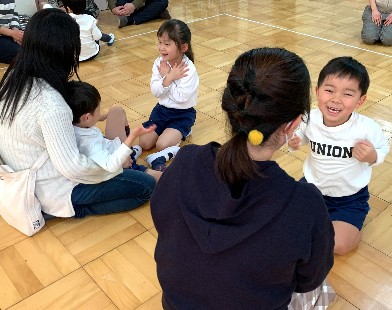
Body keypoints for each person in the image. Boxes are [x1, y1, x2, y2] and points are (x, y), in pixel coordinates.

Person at [151, 47, 335, 309]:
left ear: (231, 108)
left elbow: (162, 220)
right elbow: (309, 279)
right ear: (293, 124)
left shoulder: (184, 162)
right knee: (323, 291)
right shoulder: (305, 205)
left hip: (176, 304)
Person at [0, 8, 155, 219]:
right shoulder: (51, 104)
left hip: (21, 173)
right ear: (64, 52)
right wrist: (115, 166)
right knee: (145, 186)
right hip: (50, 190)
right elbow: (73, 169)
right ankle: (66, 210)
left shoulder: (13, 77)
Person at [288, 56, 390, 255]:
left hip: (349, 198)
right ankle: (319, 219)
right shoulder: (310, 118)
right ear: (317, 91)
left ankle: (351, 231)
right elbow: (300, 135)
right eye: (329, 90)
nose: (336, 99)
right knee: (286, 225)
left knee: (339, 246)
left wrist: (371, 156)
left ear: (360, 100)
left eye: (348, 94)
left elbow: (382, 149)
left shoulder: (367, 128)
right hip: (312, 187)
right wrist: (295, 141)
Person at [65, 80, 162, 182]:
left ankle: (132, 153)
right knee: (158, 177)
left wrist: (99, 117)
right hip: (118, 164)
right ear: (87, 117)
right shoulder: (90, 145)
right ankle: (146, 158)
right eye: (98, 109)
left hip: (110, 147)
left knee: (116, 110)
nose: (100, 111)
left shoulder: (73, 122)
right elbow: (111, 165)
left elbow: (84, 120)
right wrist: (132, 136)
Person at [139, 19, 199, 171]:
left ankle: (183, 132)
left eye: (167, 44)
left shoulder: (188, 69)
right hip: (161, 111)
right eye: (159, 42)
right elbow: (155, 91)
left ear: (183, 47)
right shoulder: (159, 63)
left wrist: (168, 79)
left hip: (182, 115)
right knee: (144, 143)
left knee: (162, 145)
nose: (161, 48)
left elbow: (181, 98)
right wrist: (168, 78)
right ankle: (169, 133)